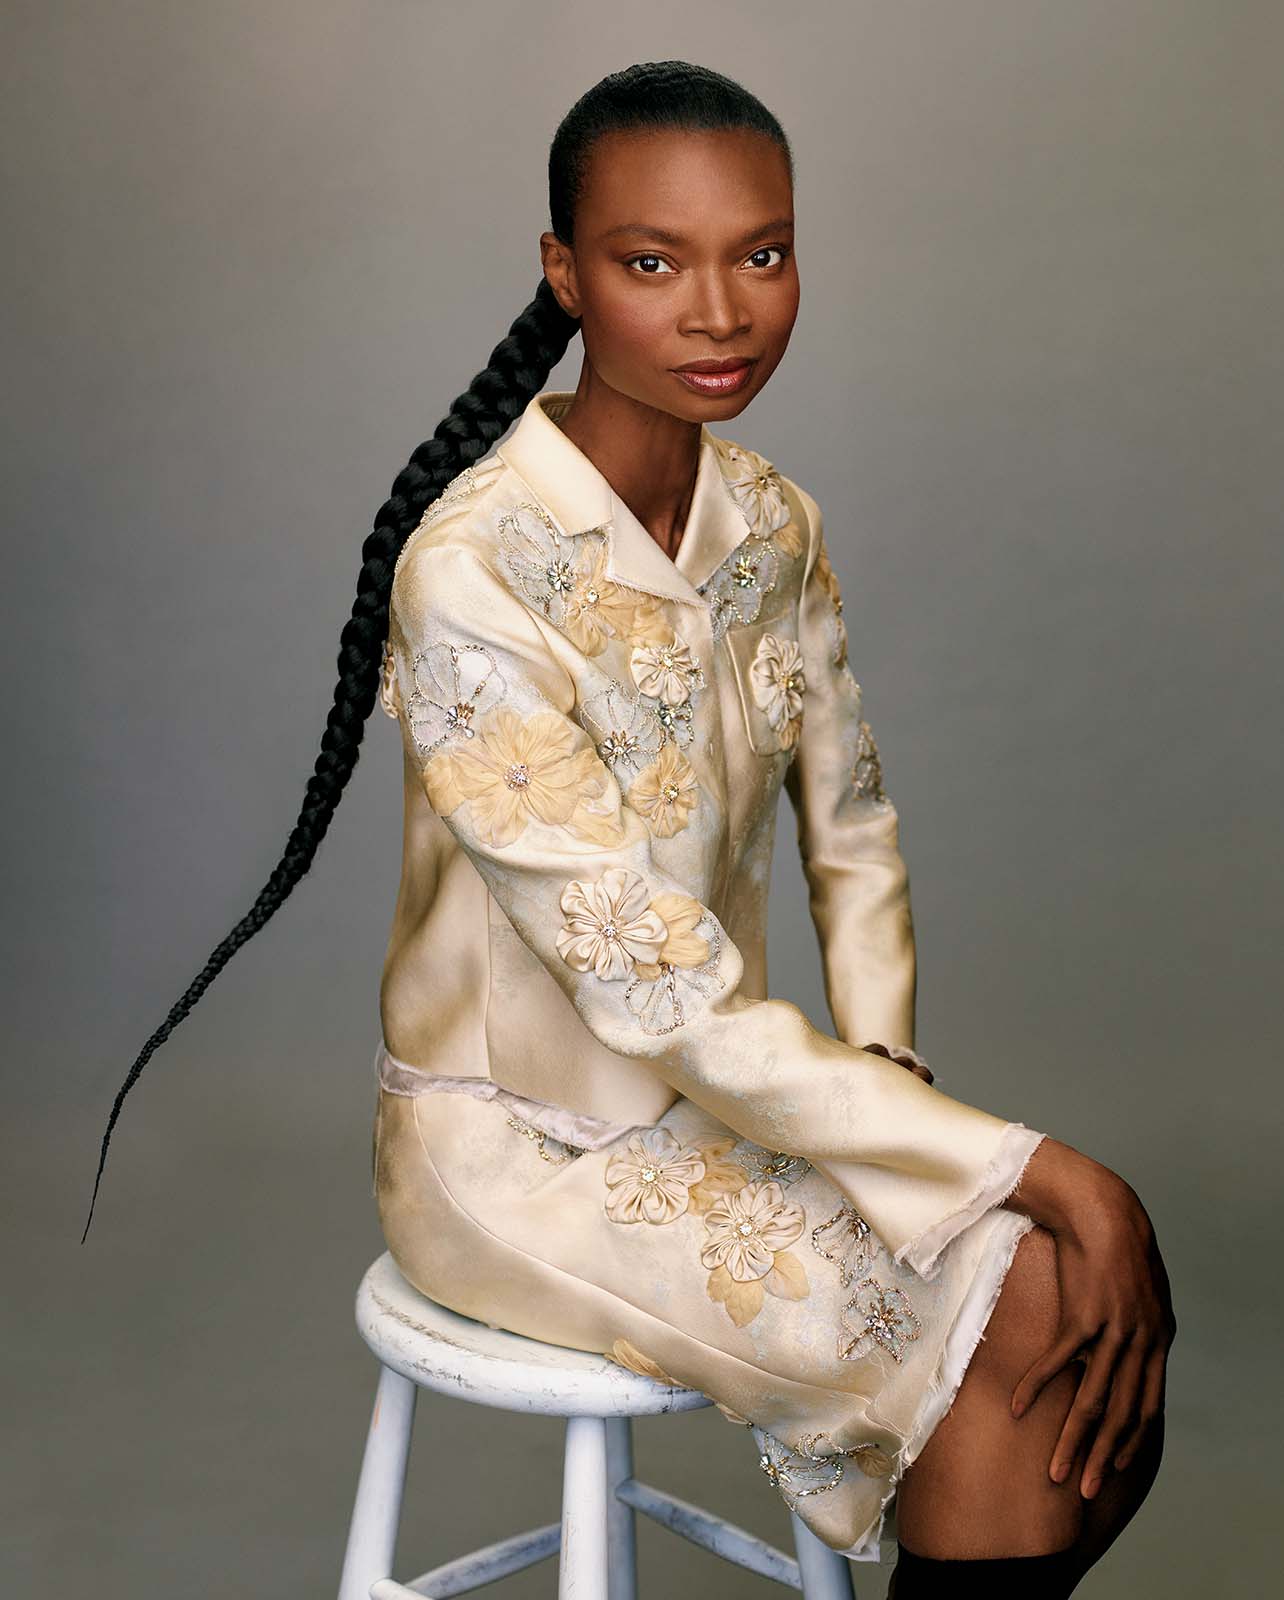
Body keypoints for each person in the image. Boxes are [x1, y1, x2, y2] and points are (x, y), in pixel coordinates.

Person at [84, 60, 1175, 1593]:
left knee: (1065, 1298)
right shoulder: (473, 575)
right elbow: (653, 985)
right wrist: (1023, 1166)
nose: (721, 312)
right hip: (520, 1151)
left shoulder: (774, 526)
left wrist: (894, 1098)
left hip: (726, 1104)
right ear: (565, 273)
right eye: (651, 263)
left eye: (765, 254)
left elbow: (852, 835)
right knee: (1031, 1290)